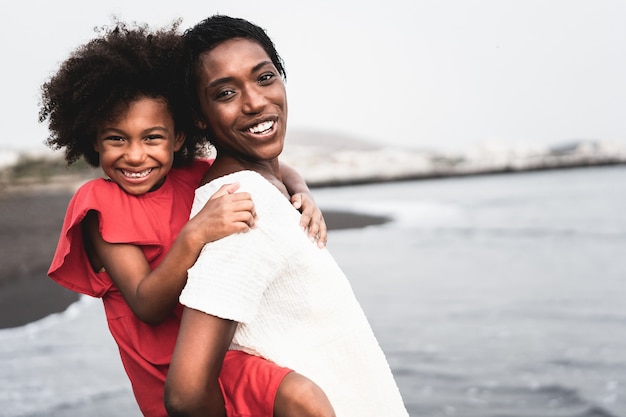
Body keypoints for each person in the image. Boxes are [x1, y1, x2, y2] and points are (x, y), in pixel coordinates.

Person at [40, 21, 329, 417]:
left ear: (177, 139)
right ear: (94, 140)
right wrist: (195, 234)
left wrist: (303, 193)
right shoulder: (99, 203)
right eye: (116, 139)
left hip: (224, 350)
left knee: (309, 399)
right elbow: (146, 304)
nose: (136, 156)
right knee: (304, 400)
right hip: (173, 375)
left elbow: (267, 166)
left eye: (152, 138)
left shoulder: (193, 176)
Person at [164, 14, 409, 417]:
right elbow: (186, 394)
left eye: (264, 77)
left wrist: (299, 187)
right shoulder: (240, 208)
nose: (256, 101)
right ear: (199, 117)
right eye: (225, 93)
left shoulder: (269, 188)